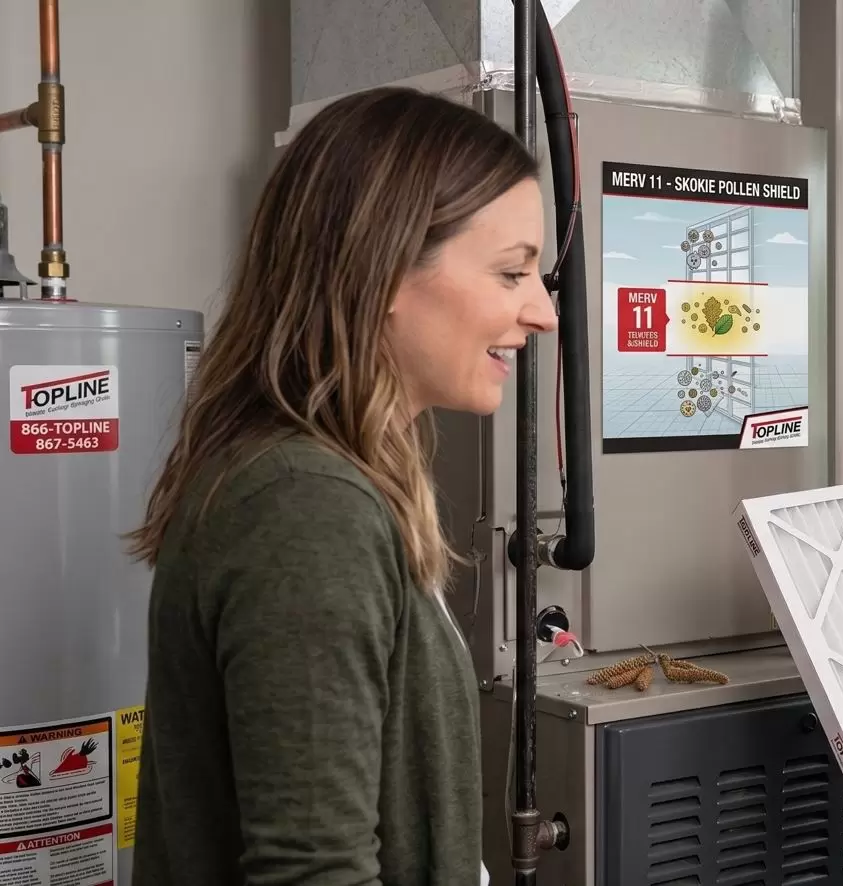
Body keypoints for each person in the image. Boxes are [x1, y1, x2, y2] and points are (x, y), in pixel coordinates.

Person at [122, 86, 557, 885]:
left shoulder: (322, 483)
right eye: (510, 273)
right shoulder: (304, 505)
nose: (542, 313)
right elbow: (313, 870)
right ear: (384, 268)